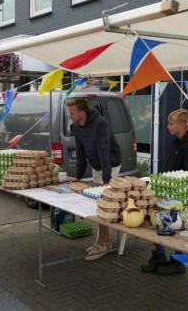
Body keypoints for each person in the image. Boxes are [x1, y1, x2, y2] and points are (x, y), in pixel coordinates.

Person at [141, 109, 188, 275]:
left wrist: (182, 194)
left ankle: (177, 261)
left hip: (179, 195)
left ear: (182, 125)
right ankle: (158, 255)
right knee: (159, 223)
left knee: (175, 226)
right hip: (168, 191)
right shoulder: (177, 140)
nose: (167, 126)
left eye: (171, 123)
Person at [66, 98, 122, 260]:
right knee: (99, 205)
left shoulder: (100, 124)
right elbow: (81, 153)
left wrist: (106, 182)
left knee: (104, 205)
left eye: (72, 113)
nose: (70, 115)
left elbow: (104, 152)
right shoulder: (76, 127)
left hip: (111, 165)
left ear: (82, 113)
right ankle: (104, 242)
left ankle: (102, 244)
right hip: (97, 165)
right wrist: (78, 176)